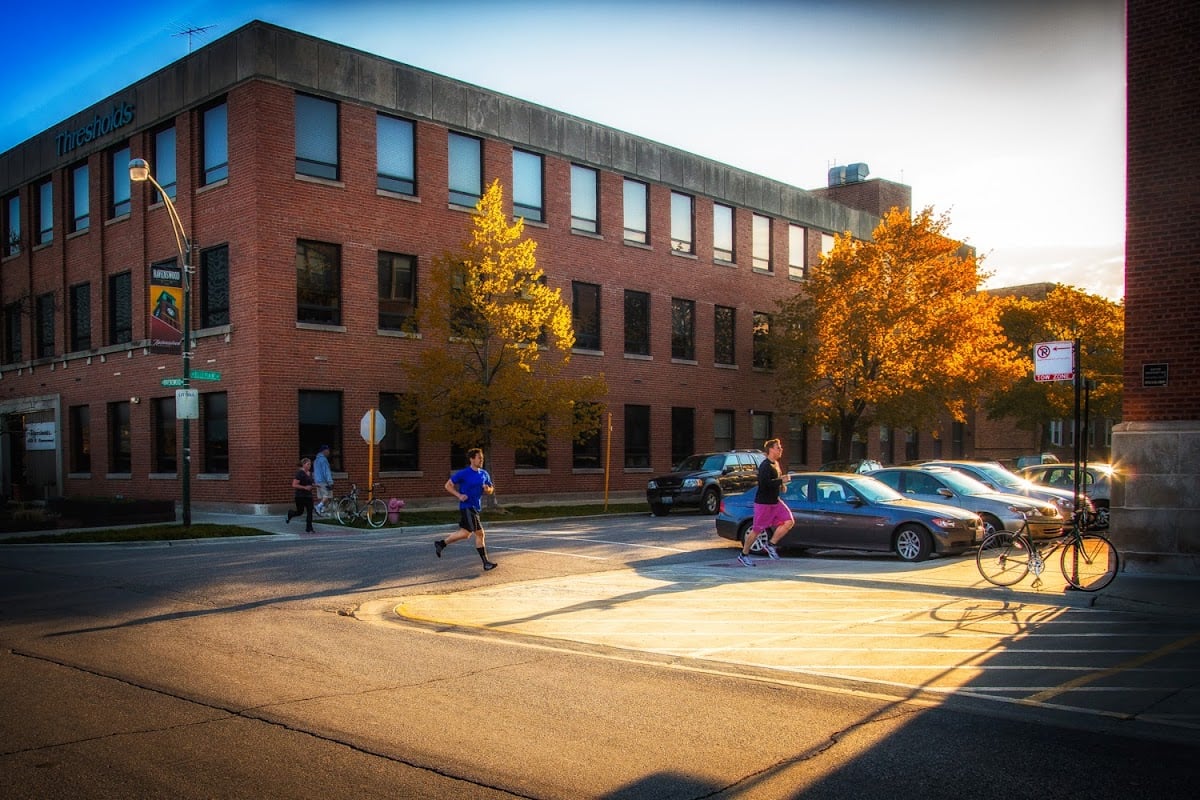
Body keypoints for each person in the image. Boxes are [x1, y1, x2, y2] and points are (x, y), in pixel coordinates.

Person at [434, 448, 497, 571]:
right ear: (472, 459)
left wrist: (487, 489)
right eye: (479, 458)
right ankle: (486, 563)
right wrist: (459, 495)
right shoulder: (464, 473)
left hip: (475, 507)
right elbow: (448, 485)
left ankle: (441, 544)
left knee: (465, 534)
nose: (481, 460)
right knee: (480, 533)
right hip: (467, 507)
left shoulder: (484, 474)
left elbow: (491, 490)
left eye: (482, 458)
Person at [739, 438, 794, 566]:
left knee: (789, 521)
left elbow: (775, 481)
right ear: (771, 450)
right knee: (757, 530)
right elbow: (764, 484)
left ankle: (771, 544)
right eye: (778, 447)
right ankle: (744, 554)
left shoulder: (776, 464)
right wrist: (781, 481)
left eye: (780, 447)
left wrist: (782, 485)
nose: (781, 449)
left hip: (775, 502)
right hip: (764, 503)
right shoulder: (765, 466)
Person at [286, 457, 316, 533]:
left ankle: (309, 527)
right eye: (308, 464)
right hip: (300, 496)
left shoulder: (310, 473)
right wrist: (304, 487)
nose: (309, 466)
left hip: (308, 496)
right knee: (300, 512)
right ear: (303, 465)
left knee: (310, 511)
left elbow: (310, 483)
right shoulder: (299, 473)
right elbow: (294, 485)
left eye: (310, 464)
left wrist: (315, 485)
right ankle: (291, 513)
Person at [312, 444, 334, 515]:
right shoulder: (324, 460)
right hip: (324, 481)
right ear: (324, 451)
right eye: (328, 450)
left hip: (317, 481)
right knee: (327, 496)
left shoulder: (316, 460)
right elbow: (326, 471)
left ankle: (322, 511)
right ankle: (318, 507)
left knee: (322, 497)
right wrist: (330, 481)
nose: (329, 452)